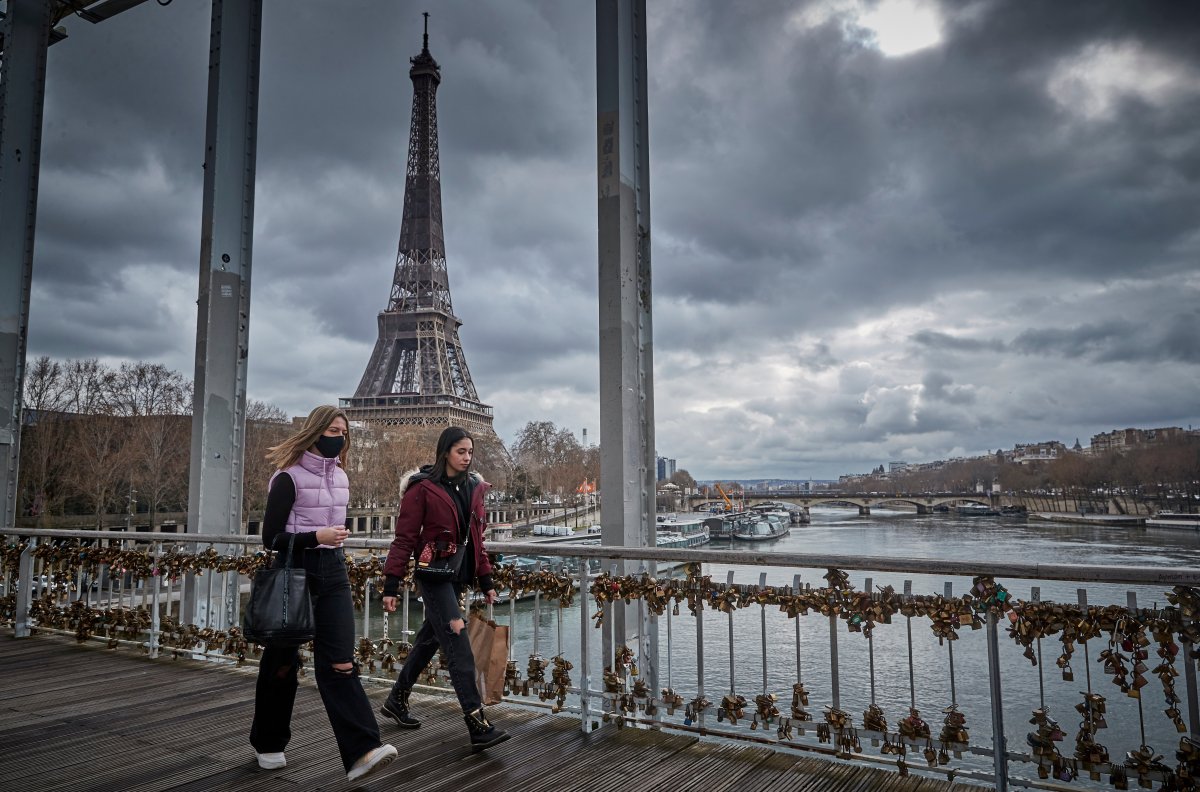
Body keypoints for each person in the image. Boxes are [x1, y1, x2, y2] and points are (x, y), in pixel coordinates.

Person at [249, 405, 397, 782]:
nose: (340, 437)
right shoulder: (288, 479)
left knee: (341, 662)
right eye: (333, 430)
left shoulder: (342, 478)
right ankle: (269, 742)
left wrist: (332, 541)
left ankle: (362, 751)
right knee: (282, 661)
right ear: (315, 432)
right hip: (295, 571)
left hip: (333, 570)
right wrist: (317, 537)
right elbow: (271, 538)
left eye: (344, 432)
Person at [380, 426, 511, 751]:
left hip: (458, 577)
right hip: (434, 577)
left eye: (470, 452)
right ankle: (477, 724)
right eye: (460, 452)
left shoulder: (474, 488)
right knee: (458, 646)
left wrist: (487, 580)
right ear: (445, 452)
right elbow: (404, 539)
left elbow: (477, 541)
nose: (467, 458)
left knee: (428, 639)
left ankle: (397, 699)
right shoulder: (422, 489)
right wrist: (391, 584)